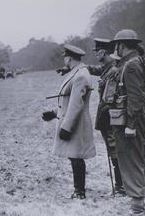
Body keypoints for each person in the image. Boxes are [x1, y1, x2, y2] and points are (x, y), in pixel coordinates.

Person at [106, 29, 145, 216]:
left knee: (133, 162)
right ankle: (137, 206)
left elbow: (135, 99)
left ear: (122, 46)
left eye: (117, 46)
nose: (116, 50)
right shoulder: (136, 62)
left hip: (131, 123)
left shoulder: (131, 66)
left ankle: (138, 210)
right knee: (136, 161)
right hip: (133, 121)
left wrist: (130, 126)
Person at [42, 44, 95, 199]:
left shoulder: (80, 76)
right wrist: (54, 113)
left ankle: (80, 192)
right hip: (73, 121)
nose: (64, 59)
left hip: (76, 123)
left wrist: (66, 127)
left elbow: (75, 105)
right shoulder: (78, 72)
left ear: (69, 57)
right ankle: (78, 191)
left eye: (65, 56)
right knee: (74, 157)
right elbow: (68, 102)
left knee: (76, 157)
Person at [86, 38, 125, 196]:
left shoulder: (113, 71)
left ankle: (121, 187)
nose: (95, 54)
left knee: (115, 150)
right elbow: (95, 69)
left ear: (103, 51)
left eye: (97, 51)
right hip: (107, 115)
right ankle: (121, 185)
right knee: (113, 149)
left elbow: (110, 99)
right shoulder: (107, 68)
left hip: (110, 116)